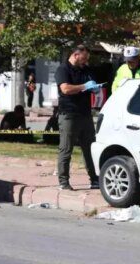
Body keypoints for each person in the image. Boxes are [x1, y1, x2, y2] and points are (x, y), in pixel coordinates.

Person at [54, 44, 100, 191]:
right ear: (75, 54)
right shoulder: (63, 69)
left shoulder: (85, 70)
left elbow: (92, 84)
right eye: (84, 57)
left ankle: (95, 179)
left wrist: (95, 88)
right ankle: (63, 181)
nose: (86, 61)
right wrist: (84, 86)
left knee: (90, 149)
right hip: (69, 114)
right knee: (66, 149)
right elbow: (66, 89)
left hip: (85, 114)